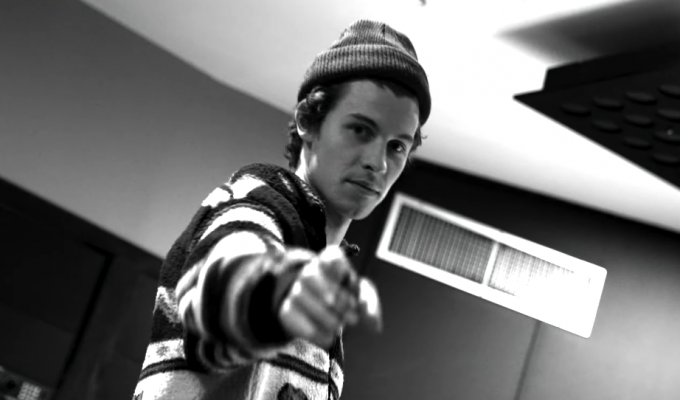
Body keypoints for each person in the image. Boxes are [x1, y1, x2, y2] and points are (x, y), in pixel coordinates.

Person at [133, 19, 431, 400]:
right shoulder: (258, 198)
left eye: (397, 146)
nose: (379, 162)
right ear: (308, 121)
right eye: (360, 130)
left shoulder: (322, 271)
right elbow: (227, 276)